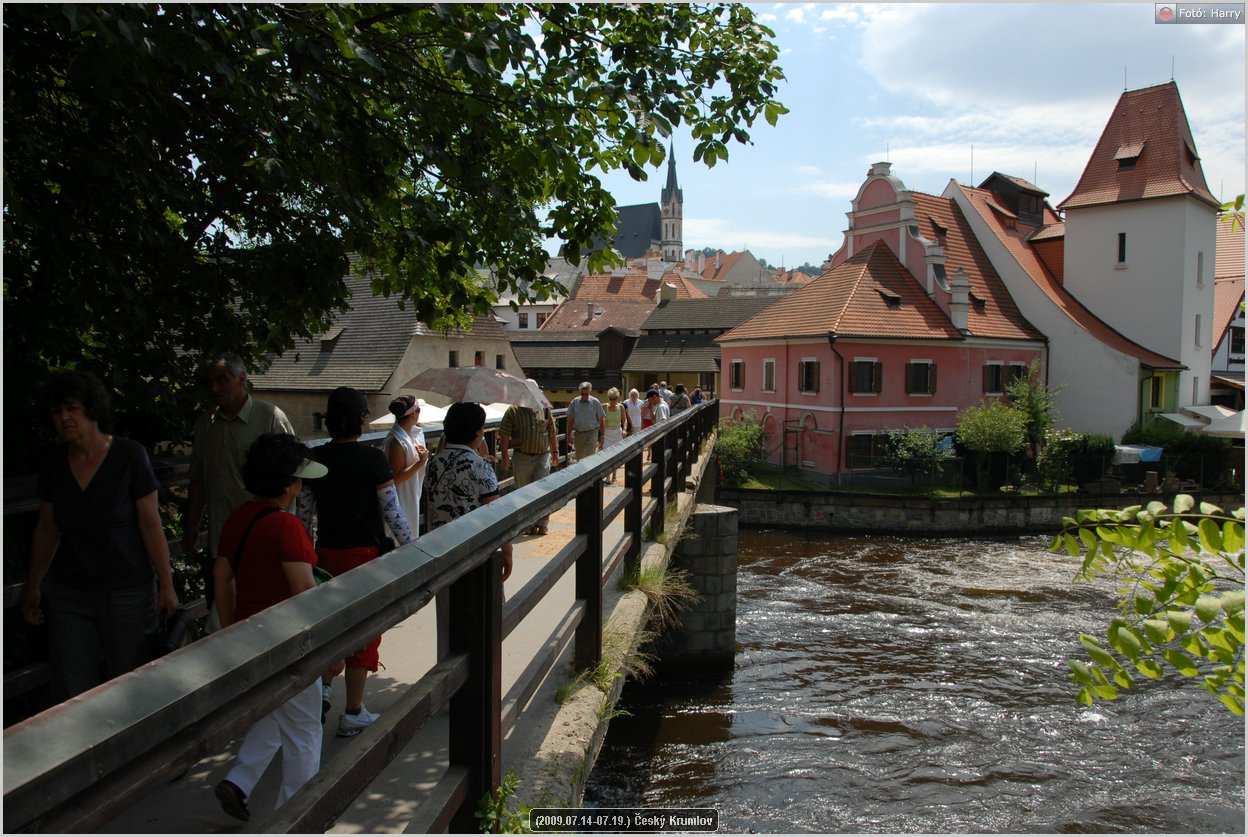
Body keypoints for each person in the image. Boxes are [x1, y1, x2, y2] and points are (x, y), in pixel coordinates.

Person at [23, 371, 179, 701]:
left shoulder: (129, 456)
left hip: (127, 592)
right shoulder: (53, 463)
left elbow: (151, 525)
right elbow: (48, 527)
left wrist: (166, 583)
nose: (63, 418)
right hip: (70, 592)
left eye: (71, 408)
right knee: (71, 687)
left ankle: (134, 752)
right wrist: (35, 585)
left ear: (91, 408)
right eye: (56, 411)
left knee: (131, 683)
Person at [212, 434, 328, 823]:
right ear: (286, 483)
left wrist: (231, 626)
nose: (301, 486)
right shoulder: (286, 527)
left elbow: (222, 577)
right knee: (304, 732)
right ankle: (295, 819)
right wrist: (324, 649)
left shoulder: (238, 519)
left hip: (249, 637)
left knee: (273, 713)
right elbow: (303, 594)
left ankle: (240, 780)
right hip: (286, 642)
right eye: (298, 480)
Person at [301, 387, 412, 737]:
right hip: (365, 556)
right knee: (363, 632)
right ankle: (352, 712)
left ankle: (322, 690)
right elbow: (392, 510)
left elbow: (303, 516)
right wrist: (411, 547)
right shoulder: (372, 459)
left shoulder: (315, 460)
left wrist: (306, 557)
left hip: (325, 554)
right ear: (361, 419)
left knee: (328, 627)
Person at [184, 353, 294, 631]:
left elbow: (292, 477)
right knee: (222, 623)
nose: (215, 388)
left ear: (242, 379)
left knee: (262, 622)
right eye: (211, 382)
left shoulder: (269, 418)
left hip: (260, 544)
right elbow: (198, 479)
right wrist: (191, 526)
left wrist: (287, 536)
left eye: (223, 380)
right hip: (220, 542)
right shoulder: (207, 424)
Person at [425, 402, 514, 581]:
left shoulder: (433, 463)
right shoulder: (480, 465)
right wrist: (507, 550)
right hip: (474, 548)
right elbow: (495, 511)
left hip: (440, 549)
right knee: (483, 604)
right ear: (477, 432)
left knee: (448, 604)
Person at [498, 389, 559, 536]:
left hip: (542, 455)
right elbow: (505, 434)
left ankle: (542, 524)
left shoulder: (544, 409)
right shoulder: (513, 410)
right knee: (523, 493)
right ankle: (527, 524)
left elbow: (551, 431)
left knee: (542, 490)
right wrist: (505, 455)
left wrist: (556, 452)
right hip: (522, 456)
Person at [383, 395, 429, 537]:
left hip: (410, 494)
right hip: (400, 500)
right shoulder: (397, 441)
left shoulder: (411, 434)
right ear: (413, 413)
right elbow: (395, 478)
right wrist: (420, 462)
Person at [566, 381, 605, 464]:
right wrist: (568, 435)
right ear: (580, 393)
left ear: (589, 392)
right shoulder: (574, 402)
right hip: (578, 434)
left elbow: (602, 419)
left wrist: (602, 436)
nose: (584, 396)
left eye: (586, 394)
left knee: (590, 457)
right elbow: (570, 420)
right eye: (582, 394)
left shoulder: (595, 402)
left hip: (592, 432)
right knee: (580, 458)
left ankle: (591, 475)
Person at [603, 387, 629, 484]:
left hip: (617, 432)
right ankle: (608, 476)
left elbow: (624, 420)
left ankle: (614, 475)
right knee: (607, 456)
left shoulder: (621, 407)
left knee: (616, 455)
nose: (613, 401)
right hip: (607, 432)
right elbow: (601, 420)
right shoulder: (605, 406)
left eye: (614, 399)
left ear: (617, 399)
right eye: (611, 399)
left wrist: (625, 430)